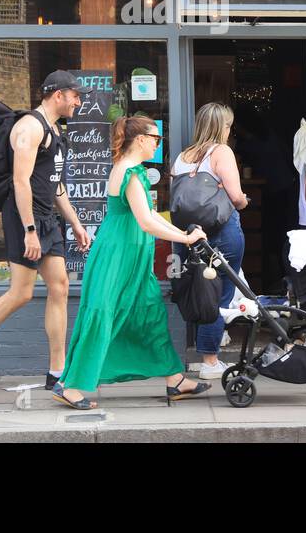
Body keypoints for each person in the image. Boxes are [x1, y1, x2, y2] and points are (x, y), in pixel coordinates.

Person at [0, 70, 93, 395]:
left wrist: (76, 223)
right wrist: (29, 230)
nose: (78, 101)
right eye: (75, 95)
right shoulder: (30, 127)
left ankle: (57, 371)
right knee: (21, 293)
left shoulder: (54, 129)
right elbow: (21, 181)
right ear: (58, 95)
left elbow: (55, 185)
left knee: (60, 287)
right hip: (25, 218)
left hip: (47, 216)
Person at [52, 116, 212, 409]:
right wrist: (187, 240)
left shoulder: (128, 170)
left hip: (130, 258)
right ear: (139, 140)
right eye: (155, 139)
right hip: (118, 258)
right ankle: (70, 385)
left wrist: (184, 235)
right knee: (103, 314)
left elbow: (149, 220)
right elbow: (146, 222)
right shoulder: (130, 173)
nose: (157, 144)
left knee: (149, 313)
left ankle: (175, 379)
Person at [171, 102, 249, 380]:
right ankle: (210, 361)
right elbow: (236, 196)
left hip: (188, 235)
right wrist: (243, 202)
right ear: (222, 127)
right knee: (221, 294)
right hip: (221, 233)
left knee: (199, 291)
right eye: (228, 125)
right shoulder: (222, 152)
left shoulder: (182, 156)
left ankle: (204, 353)